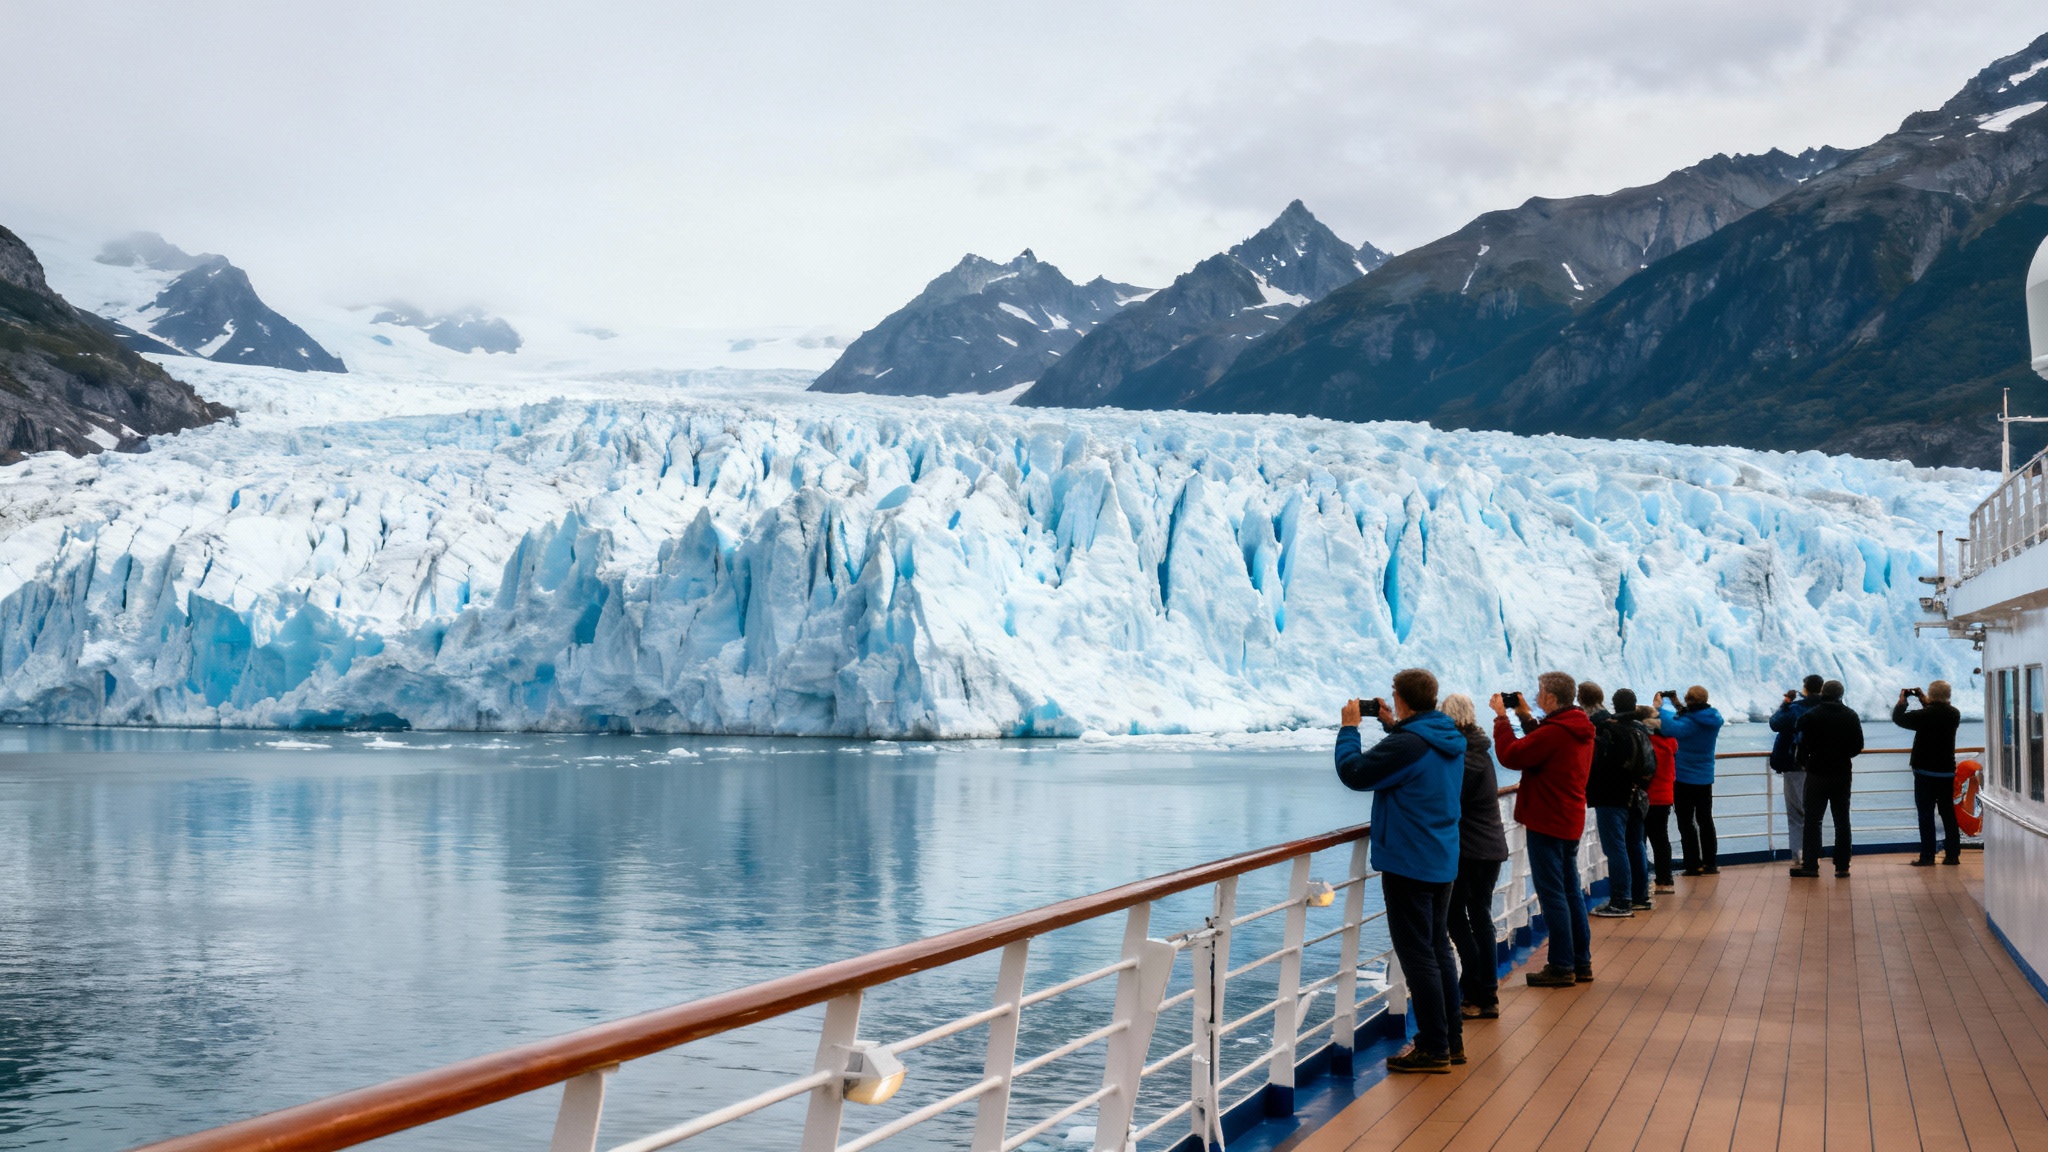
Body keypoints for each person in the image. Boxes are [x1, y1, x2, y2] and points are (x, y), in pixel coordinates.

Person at [1335, 669, 1466, 1073]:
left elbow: (1354, 773)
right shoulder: (1443, 735)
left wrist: (1349, 729)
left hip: (1409, 860)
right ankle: (1452, 1040)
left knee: (1418, 955)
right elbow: (1413, 759)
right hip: (1441, 857)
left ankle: (1433, 1047)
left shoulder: (1411, 744)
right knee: (1438, 949)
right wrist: (1396, 727)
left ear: (1402, 697)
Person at [1492, 671, 1596, 987]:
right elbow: (1543, 744)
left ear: (1551, 697)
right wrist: (1524, 716)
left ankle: (1562, 966)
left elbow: (1512, 755)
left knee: (1553, 895)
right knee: (1570, 891)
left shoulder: (1556, 732)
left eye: (1539, 694)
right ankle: (1581, 962)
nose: (1536, 699)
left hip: (1547, 821)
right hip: (1568, 818)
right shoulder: (1575, 727)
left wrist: (1500, 720)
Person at [1440, 694, 1511, 1019]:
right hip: (1490, 847)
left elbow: (1449, 796)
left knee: (1455, 917)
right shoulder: (1479, 748)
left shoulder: (1464, 755)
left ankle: (1475, 993)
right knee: (1480, 917)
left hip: (1471, 850)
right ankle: (1487, 995)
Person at [1584, 685, 1648, 917]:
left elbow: (1600, 764)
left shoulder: (1606, 729)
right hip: (1638, 794)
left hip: (1612, 796)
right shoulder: (1639, 727)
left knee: (1616, 848)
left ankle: (1621, 901)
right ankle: (1640, 897)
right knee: (1635, 844)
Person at [1792, 679, 1864, 877]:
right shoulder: (1851, 716)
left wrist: (1807, 761)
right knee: (1842, 820)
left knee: (1813, 820)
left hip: (1816, 772)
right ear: (1841, 694)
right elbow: (1857, 746)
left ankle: (1811, 865)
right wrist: (1841, 755)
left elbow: (1800, 744)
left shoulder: (1810, 716)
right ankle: (1842, 866)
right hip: (1841, 772)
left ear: (1823, 693)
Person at [1895, 680, 1963, 867]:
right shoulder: (1954, 714)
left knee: (1925, 814)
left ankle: (1927, 856)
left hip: (1925, 772)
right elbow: (1936, 712)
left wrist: (1903, 701)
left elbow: (1899, 719)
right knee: (1948, 813)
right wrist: (1926, 700)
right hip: (1946, 772)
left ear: (1932, 696)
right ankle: (1953, 855)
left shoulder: (1925, 715)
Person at [1659, 686, 1725, 876]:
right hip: (1705, 777)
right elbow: (1690, 715)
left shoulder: (1689, 723)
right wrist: (1677, 704)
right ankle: (1710, 863)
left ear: (1689, 700)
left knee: (1686, 822)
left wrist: (1661, 706)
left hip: (1684, 777)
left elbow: (1670, 727)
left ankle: (1693, 864)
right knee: (1705, 820)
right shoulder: (1712, 718)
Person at [1769, 675, 1825, 868]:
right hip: (1820, 766)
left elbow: (1775, 723)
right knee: (1814, 812)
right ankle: (1814, 853)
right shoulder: (1827, 707)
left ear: (1805, 688)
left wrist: (1785, 704)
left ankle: (1799, 854)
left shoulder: (1796, 709)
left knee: (1796, 812)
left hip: (1795, 765)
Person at [1640, 706, 1678, 893]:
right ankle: (1665, 878)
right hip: (1665, 796)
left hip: (1645, 797)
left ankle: (1640, 879)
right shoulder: (1670, 742)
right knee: (1661, 839)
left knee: (1640, 839)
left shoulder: (1644, 743)